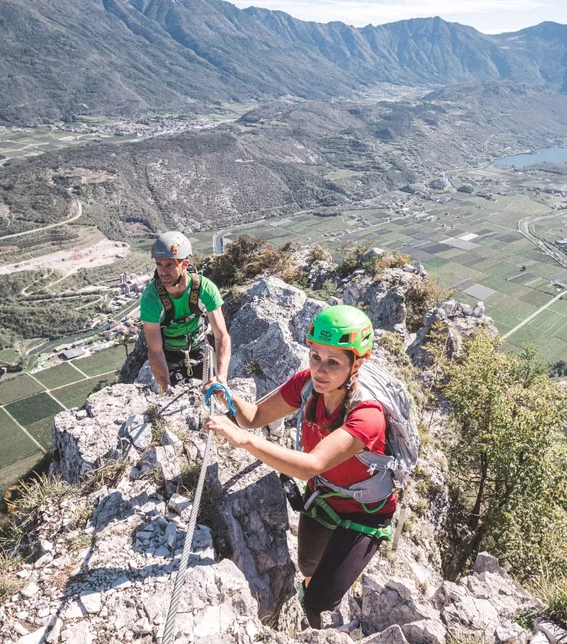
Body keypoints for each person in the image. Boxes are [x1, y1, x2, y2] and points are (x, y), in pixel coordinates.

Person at [204, 305, 400, 629]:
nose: (320, 370)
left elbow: (312, 465)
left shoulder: (368, 416)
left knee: (320, 602)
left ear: (357, 364)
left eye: (333, 362)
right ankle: (314, 594)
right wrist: (228, 397)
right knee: (307, 564)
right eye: (315, 356)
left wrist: (246, 443)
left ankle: (319, 623)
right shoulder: (307, 385)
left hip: (366, 512)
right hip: (323, 497)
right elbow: (253, 417)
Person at [140, 231, 230, 391]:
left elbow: (221, 336)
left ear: (185, 264)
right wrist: (166, 388)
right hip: (169, 354)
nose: (162, 271)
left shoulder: (205, 289)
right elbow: (155, 349)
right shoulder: (151, 298)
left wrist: (221, 377)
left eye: (169, 265)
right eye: (159, 264)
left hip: (199, 346)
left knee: (213, 394)